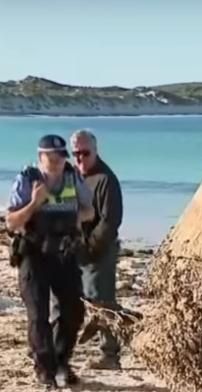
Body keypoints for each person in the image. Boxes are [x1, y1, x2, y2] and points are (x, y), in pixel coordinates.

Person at [6, 134, 95, 388]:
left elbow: (90, 210)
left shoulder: (72, 177)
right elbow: (11, 223)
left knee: (74, 311)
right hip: (34, 254)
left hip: (64, 253)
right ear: (40, 157)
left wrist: (78, 216)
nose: (56, 162)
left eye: (60, 157)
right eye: (51, 157)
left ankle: (60, 361)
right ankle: (44, 370)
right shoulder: (27, 179)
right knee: (38, 314)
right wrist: (35, 203)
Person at [71, 129, 124, 370]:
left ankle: (110, 355)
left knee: (103, 302)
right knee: (83, 299)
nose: (80, 158)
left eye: (85, 153)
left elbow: (110, 220)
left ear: (95, 151)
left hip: (100, 249)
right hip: (78, 247)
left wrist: (91, 246)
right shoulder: (76, 177)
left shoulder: (105, 179)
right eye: (76, 154)